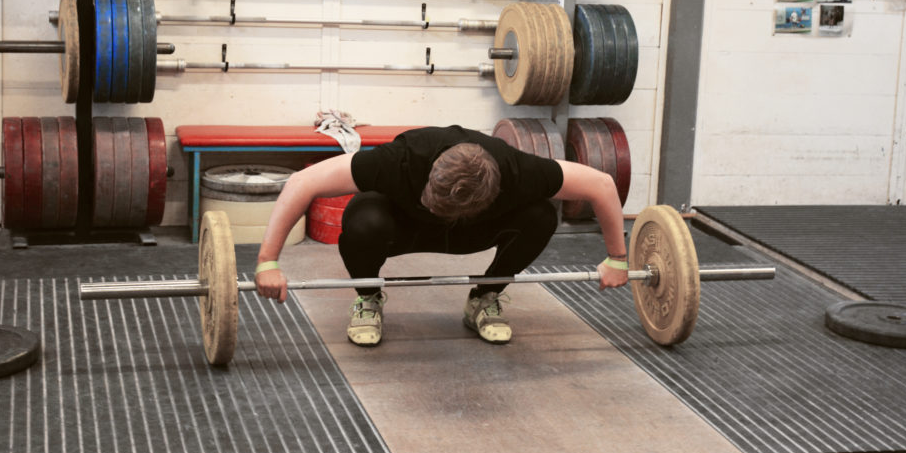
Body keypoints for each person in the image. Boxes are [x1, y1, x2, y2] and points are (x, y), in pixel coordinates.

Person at [254, 126, 629, 346]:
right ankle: (368, 299)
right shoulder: (398, 160)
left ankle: (485, 297)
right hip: (405, 228)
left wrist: (618, 257)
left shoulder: (520, 170)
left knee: (540, 215)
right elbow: (301, 183)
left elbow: (601, 184)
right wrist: (267, 261)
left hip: (473, 232)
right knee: (362, 216)